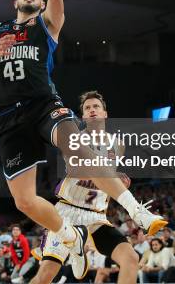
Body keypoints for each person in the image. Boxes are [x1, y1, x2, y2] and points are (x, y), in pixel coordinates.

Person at [0, 0, 165, 276]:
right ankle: (67, 236)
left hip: (44, 104)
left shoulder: (47, 24)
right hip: (9, 117)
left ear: (41, 2)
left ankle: (136, 209)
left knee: (78, 151)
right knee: (25, 202)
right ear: (15, 1)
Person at [30, 92, 140, 284]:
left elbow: (106, 184)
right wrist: (110, 176)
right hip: (67, 214)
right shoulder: (75, 140)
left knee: (131, 258)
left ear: (105, 113)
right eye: (87, 108)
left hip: (96, 216)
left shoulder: (118, 145)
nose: (92, 110)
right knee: (45, 275)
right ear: (83, 117)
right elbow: (79, 170)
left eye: (96, 106)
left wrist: (117, 181)